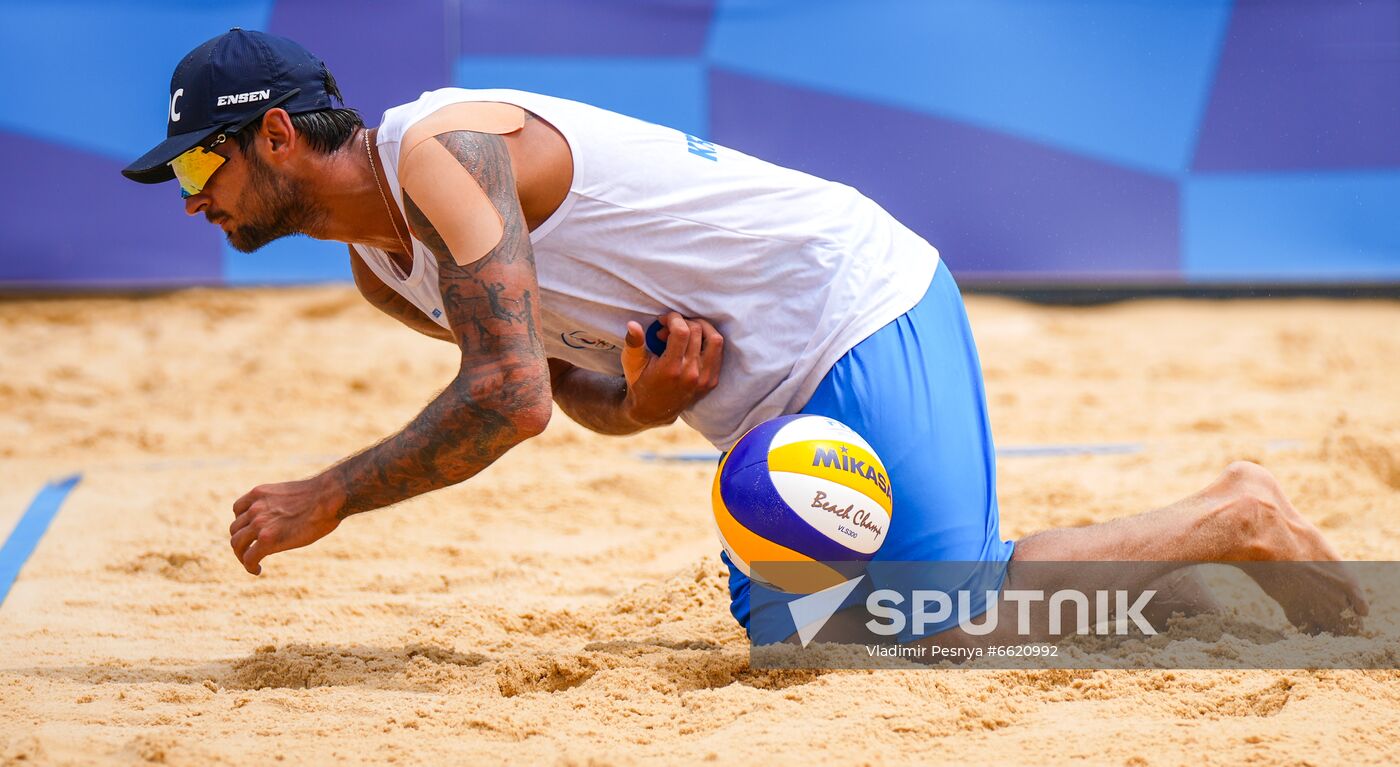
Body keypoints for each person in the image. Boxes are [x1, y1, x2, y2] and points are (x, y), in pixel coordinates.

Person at [123, 29, 1364, 640]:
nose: (191, 198)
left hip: (848, 300)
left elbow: (503, 399)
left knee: (937, 619)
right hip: (757, 403)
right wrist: (648, 404)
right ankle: (1159, 587)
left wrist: (328, 494)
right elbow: (574, 396)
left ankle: (1233, 516)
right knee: (801, 641)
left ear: (275, 135)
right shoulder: (382, 271)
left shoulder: (443, 154)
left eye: (198, 164)